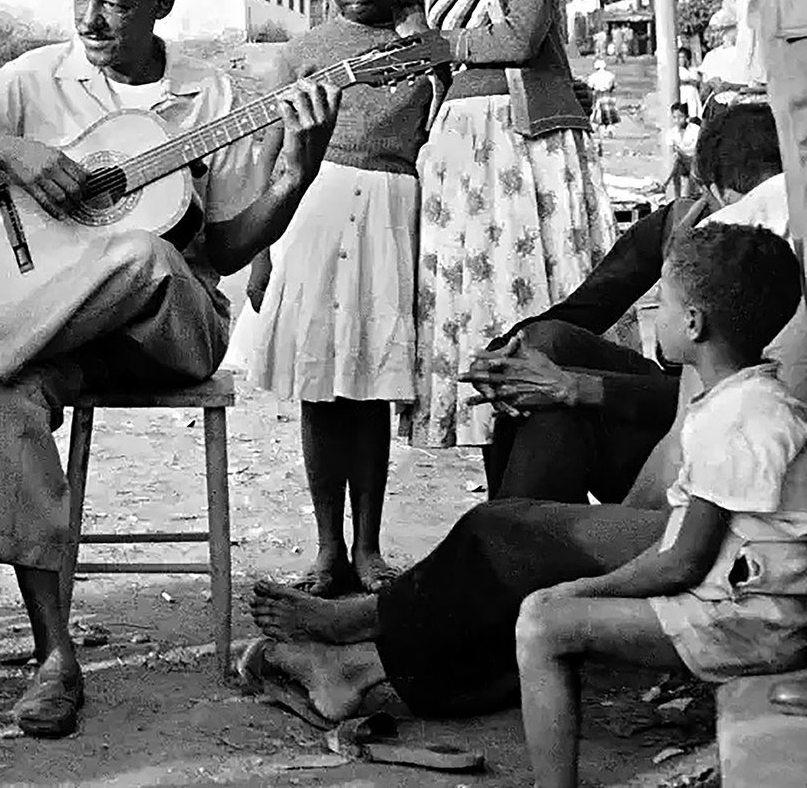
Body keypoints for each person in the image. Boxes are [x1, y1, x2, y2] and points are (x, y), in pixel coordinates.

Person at [0, 0, 342, 738]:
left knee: (145, 253)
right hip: (59, 336)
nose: (89, 21)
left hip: (172, 328)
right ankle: (54, 656)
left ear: (161, 2)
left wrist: (293, 178)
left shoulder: (216, 98)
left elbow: (225, 249)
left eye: (114, 4)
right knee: (6, 404)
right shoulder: (34, 77)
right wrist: (3, 155)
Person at [241, 109, 807, 727]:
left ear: (719, 191)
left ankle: (369, 652)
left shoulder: (746, 260)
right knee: (546, 351)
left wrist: (579, 399)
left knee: (507, 527)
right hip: (703, 486)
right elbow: (646, 381)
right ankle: (481, 609)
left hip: (740, 527)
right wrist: (512, 361)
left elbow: (705, 445)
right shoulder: (709, 244)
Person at [516, 222, 807, 788]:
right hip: (762, 608)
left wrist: (584, 589)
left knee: (542, 621)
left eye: (664, 304)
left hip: (751, 624)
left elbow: (682, 561)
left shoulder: (736, 419)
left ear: (693, 323)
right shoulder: (759, 400)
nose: (660, 316)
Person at [406, 0, 624, 450]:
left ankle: (558, 448)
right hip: (457, 142)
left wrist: (440, 46)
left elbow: (522, 37)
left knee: (532, 299)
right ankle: (497, 456)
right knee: (476, 301)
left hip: (523, 135)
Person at [239, 0, 435, 597]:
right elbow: (269, 149)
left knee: (372, 388)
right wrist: (261, 250)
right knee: (322, 392)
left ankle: (371, 547)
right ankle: (327, 549)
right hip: (314, 213)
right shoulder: (304, 51)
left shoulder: (424, 49)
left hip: (391, 216)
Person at [472, 103, 786, 505]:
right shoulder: (685, 223)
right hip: (664, 419)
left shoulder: (784, 244)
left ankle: (508, 547)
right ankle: (505, 540)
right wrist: (501, 358)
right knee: (533, 353)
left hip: (731, 435)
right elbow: (585, 309)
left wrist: (582, 388)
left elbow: (737, 400)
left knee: (556, 403)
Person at [663, 102, 700, 197]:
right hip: (681, 162)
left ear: (686, 116)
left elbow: (698, 150)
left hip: (694, 160)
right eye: (675, 117)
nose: (677, 120)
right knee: (675, 160)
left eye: (680, 117)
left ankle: (665, 185)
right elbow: (671, 152)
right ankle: (674, 193)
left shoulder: (695, 130)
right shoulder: (671, 133)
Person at [586, 58, 619, 135]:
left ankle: (595, 127)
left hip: (598, 95)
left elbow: (590, 87)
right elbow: (614, 86)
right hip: (608, 95)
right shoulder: (610, 75)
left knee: (597, 112)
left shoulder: (592, 76)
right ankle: (609, 128)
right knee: (609, 112)